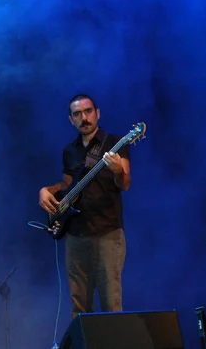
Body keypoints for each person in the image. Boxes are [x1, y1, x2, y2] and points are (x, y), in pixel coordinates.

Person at [38, 94, 131, 319]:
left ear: (97, 113)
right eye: (77, 114)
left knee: (111, 306)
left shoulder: (115, 143)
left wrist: (118, 169)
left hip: (107, 233)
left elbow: (125, 183)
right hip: (76, 234)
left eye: (88, 111)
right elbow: (68, 186)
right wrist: (47, 191)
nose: (84, 118)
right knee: (79, 308)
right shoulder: (69, 150)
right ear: (71, 120)